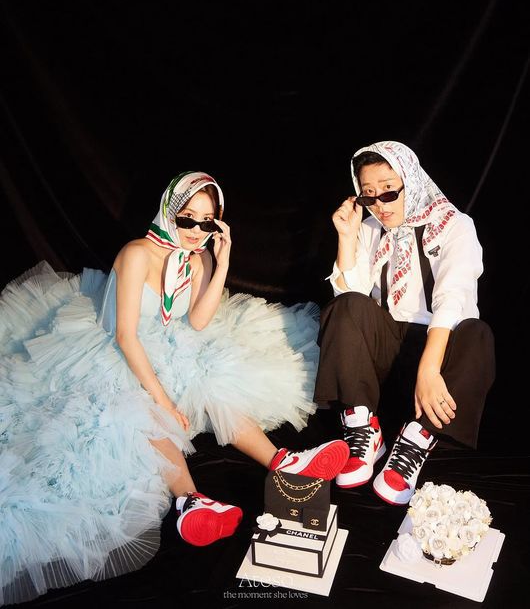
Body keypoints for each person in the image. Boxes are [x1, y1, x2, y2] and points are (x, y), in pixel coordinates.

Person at [0, 171, 349, 605]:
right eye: (188, 220)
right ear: (169, 212)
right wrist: (164, 399)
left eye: (207, 222)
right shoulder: (137, 254)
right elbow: (125, 335)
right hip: (112, 348)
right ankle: (190, 501)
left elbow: (198, 321)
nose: (197, 231)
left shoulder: (197, 258)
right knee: (139, 406)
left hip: (169, 343)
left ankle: (284, 462)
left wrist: (221, 263)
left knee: (211, 375)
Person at [314, 141, 495, 505]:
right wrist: (347, 237)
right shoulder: (370, 228)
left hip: (436, 358)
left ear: (410, 181)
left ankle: (415, 441)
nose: (380, 205)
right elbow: (351, 300)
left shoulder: (454, 226)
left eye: (388, 190)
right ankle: (364, 429)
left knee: (477, 334)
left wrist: (428, 370)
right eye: (368, 195)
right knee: (346, 306)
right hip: (382, 360)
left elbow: (452, 299)